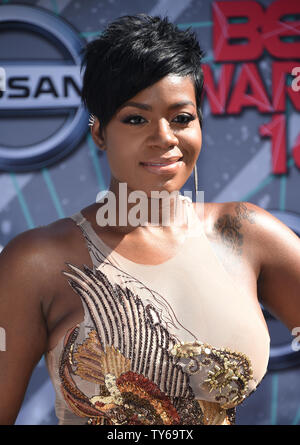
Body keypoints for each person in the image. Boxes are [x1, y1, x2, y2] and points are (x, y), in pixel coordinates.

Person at [0, 14, 299, 426]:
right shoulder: (37, 261)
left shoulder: (247, 234)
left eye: (181, 118)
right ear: (99, 133)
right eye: (136, 119)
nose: (164, 137)